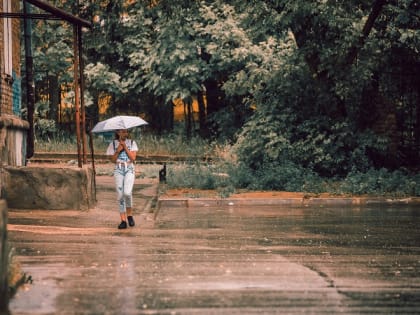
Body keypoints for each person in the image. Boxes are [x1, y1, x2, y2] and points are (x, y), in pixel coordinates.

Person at [106, 129, 138, 229]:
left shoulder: (132, 143)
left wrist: (125, 147)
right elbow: (112, 160)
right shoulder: (113, 144)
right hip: (118, 169)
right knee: (120, 195)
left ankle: (129, 215)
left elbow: (133, 158)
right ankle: (123, 220)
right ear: (118, 133)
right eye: (122, 132)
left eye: (126, 132)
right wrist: (118, 150)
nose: (125, 133)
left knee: (127, 192)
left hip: (129, 168)